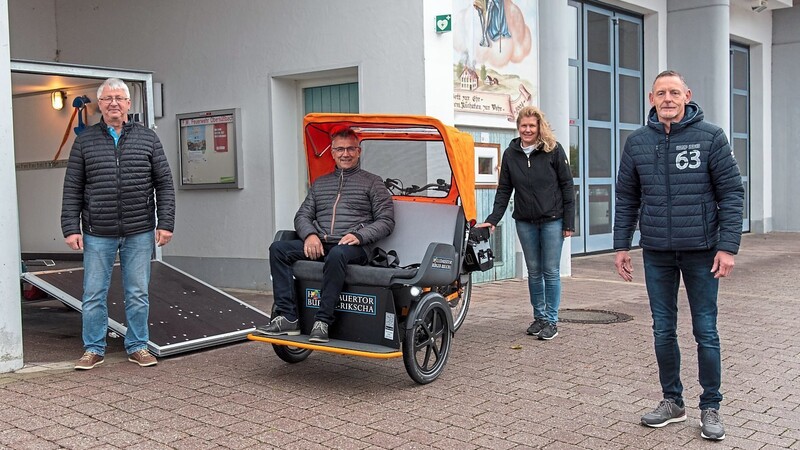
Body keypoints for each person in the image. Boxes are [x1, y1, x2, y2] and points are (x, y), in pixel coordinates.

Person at [613, 70, 744, 441]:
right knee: (662, 329)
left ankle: (711, 407)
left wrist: (728, 246)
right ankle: (673, 401)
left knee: (705, 330)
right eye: (660, 93)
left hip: (702, 251)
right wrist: (622, 244)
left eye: (674, 92)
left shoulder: (711, 137)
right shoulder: (637, 142)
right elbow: (627, 197)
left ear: (687, 94)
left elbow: (732, 193)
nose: (667, 98)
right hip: (656, 250)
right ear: (651, 99)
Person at [61, 77, 176, 370]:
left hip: (139, 231)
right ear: (100, 105)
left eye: (119, 98)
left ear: (128, 103)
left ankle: (137, 345)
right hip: (97, 232)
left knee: (137, 292)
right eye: (107, 98)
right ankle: (93, 348)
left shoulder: (148, 138)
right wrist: (71, 227)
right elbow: (73, 186)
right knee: (93, 293)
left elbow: (164, 183)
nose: (113, 103)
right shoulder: (84, 140)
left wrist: (166, 223)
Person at [256, 127, 394, 343]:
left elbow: (386, 221)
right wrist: (310, 235)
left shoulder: (373, 182)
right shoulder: (320, 183)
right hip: (321, 244)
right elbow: (302, 215)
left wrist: (359, 236)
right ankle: (288, 318)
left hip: (354, 248)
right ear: (332, 152)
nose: (345, 154)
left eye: (350, 149)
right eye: (340, 149)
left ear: (358, 151)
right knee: (278, 249)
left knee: (338, 254)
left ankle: (322, 322)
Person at [476, 106, 574, 340]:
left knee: (550, 271)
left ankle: (551, 321)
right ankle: (539, 317)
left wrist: (568, 222)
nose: (527, 129)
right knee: (533, 271)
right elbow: (504, 190)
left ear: (539, 127)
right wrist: (492, 220)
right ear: (518, 127)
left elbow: (567, 186)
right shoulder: (511, 153)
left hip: (552, 220)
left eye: (532, 125)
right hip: (525, 221)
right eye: (524, 126)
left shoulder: (553, 150)